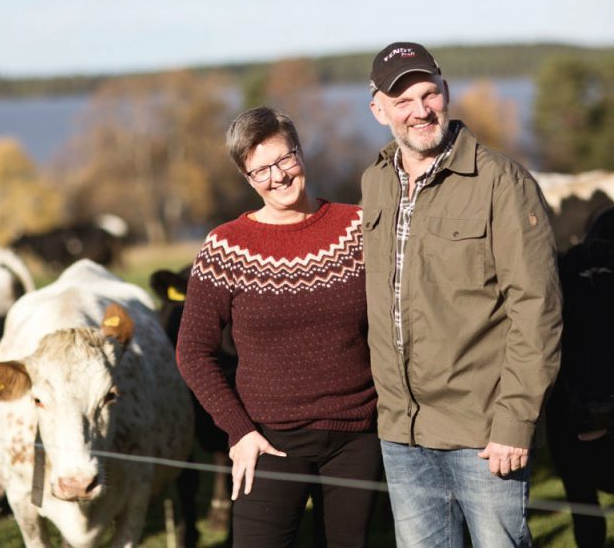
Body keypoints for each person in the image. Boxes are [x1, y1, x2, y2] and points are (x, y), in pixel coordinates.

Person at [360, 42, 562, 547]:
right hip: (402, 432)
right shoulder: (375, 183)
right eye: (402, 101)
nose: (420, 110)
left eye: (429, 94)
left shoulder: (501, 182)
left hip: (482, 431)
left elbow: (537, 311)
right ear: (378, 109)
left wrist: (515, 420)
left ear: (446, 92)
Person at [176, 106, 382, 548]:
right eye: (260, 170)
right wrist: (239, 431)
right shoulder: (226, 246)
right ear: (247, 178)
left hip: (356, 438)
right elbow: (192, 350)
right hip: (268, 440)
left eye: (284, 160)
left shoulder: (357, 228)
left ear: (301, 153)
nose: (278, 177)